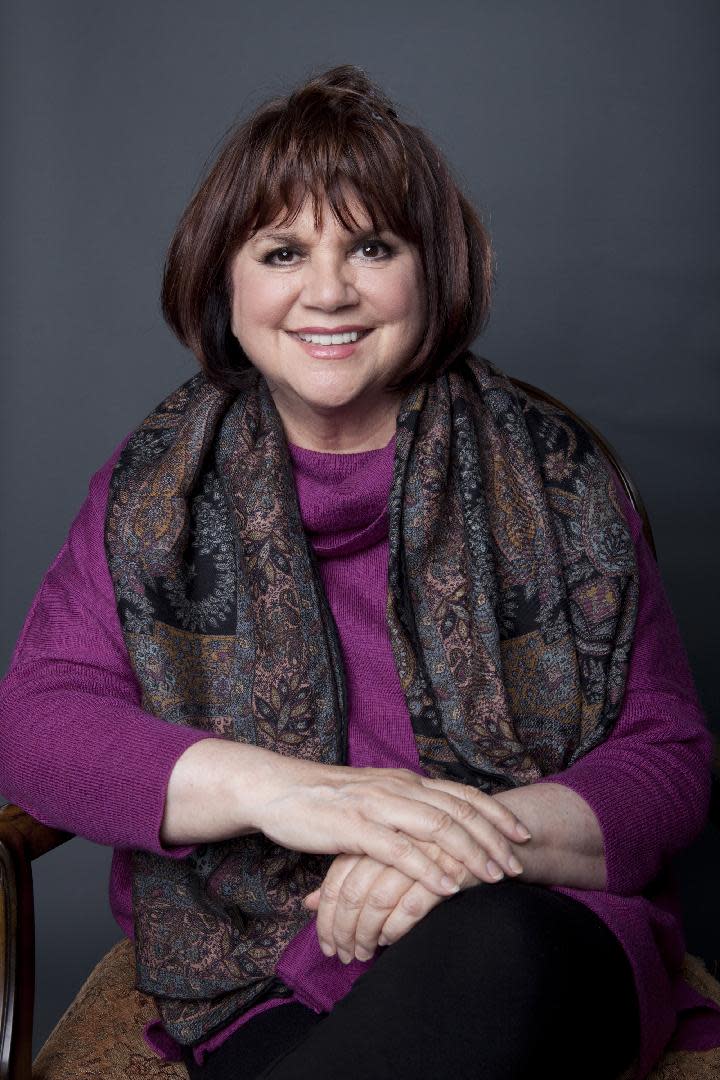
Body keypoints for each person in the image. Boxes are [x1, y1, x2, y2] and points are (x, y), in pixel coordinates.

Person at [1, 64, 718, 1080]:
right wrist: (300, 797)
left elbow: (671, 760)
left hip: (541, 930)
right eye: (283, 250)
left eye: (372, 246)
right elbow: (37, 726)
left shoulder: (558, 473)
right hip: (265, 960)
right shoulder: (155, 489)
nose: (328, 290)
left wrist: (457, 850)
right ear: (226, 281)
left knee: (492, 948)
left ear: (432, 270)